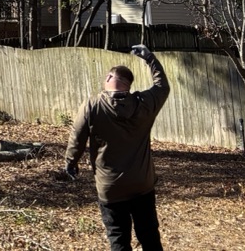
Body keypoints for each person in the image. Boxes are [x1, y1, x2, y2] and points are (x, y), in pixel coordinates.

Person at [64, 45, 170, 251]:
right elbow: (162, 86)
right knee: (149, 236)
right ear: (128, 84)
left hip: (110, 188)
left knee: (119, 239)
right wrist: (150, 58)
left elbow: (77, 138)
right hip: (142, 184)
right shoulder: (144, 104)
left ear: (109, 78)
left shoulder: (92, 105)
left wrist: (71, 162)